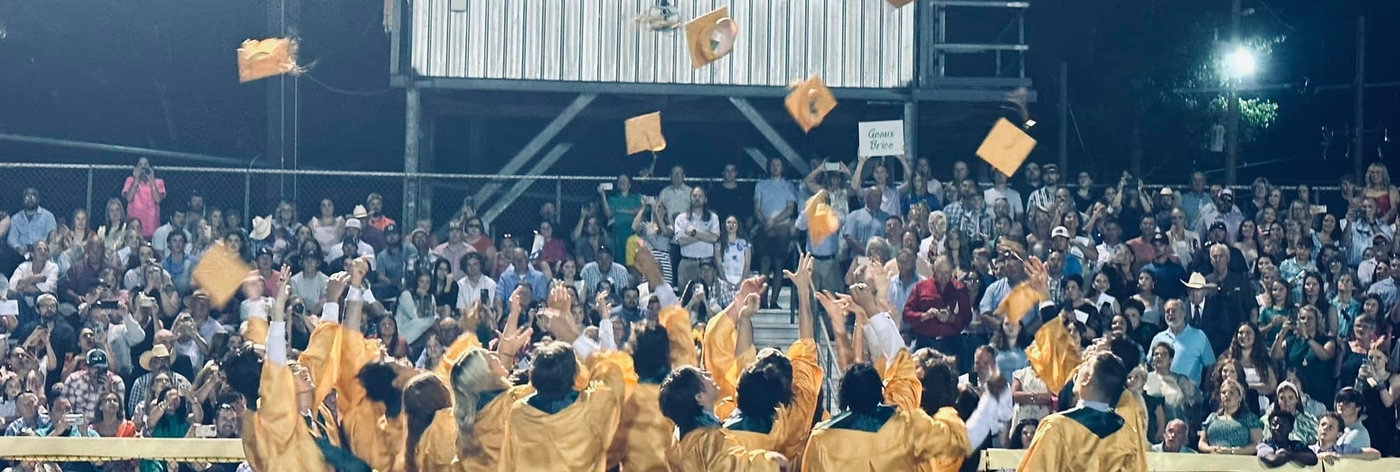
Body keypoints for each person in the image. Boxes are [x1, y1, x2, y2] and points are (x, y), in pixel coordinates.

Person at [497, 340, 627, 471]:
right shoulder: (592, 405)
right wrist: (577, 339)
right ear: (575, 372)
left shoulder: (519, 412)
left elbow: (508, 463)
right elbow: (613, 376)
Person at [1016, 351, 1145, 471]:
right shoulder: (1127, 433)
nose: (1079, 368)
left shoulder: (1056, 427)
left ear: (1087, 379)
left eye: (1085, 364)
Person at [658, 365, 787, 471]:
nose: (708, 374)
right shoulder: (711, 439)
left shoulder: (677, 436)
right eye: (702, 376)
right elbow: (736, 467)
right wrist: (771, 462)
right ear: (699, 398)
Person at [1149, 299, 1216, 386]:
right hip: (1160, 393)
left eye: (1173, 311)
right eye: (1167, 311)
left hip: (1188, 395)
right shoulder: (1158, 338)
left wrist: (1206, 389)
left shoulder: (1199, 336)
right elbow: (1149, 363)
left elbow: (1210, 364)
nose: (1170, 314)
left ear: (1183, 313)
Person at [1198, 378, 1263, 455]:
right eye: (1223, 392)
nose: (1227, 395)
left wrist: (1233, 451)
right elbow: (1202, 442)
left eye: (1231, 393)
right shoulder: (1211, 418)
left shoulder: (1250, 419)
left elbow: (1257, 444)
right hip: (1213, 460)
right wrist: (1210, 449)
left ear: (1240, 397)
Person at [673, 187, 720, 288]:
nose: (697, 198)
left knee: (709, 297)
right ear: (690, 198)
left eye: (700, 196)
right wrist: (704, 235)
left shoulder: (713, 217)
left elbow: (714, 238)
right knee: (686, 299)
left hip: (707, 264)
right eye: (694, 196)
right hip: (687, 264)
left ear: (705, 199)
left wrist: (694, 233)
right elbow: (681, 240)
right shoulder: (681, 218)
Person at [1311, 412, 1382, 463]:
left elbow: (1376, 454)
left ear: (1339, 434)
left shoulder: (1343, 450)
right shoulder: (1309, 450)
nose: (1325, 428)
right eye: (1323, 425)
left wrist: (1342, 457)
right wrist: (1318, 457)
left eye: (1330, 427)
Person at [122, 157, 165, 239]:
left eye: (145, 165)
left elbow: (158, 199)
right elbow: (128, 198)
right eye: (140, 165)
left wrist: (152, 182)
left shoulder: (158, 182)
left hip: (152, 226)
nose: (143, 168)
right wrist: (136, 180)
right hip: (134, 226)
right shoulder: (130, 180)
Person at [8, 188, 57, 253]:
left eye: (33, 196)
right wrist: (18, 247)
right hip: (22, 252)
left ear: (39, 200)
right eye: (27, 197)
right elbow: (11, 238)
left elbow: (52, 236)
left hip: (42, 251)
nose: (30, 199)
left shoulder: (48, 216)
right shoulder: (15, 218)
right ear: (22, 200)